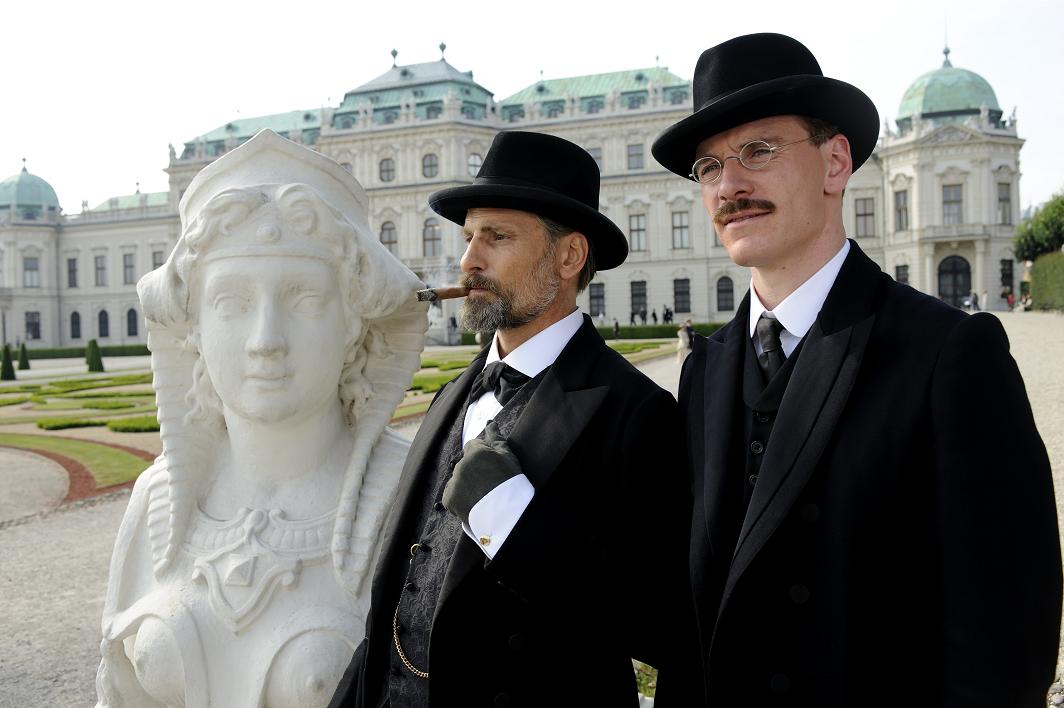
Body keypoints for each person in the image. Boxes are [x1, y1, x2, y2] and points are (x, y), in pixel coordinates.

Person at [651, 33, 1061, 707]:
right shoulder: (705, 370)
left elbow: (1006, 647)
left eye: (759, 150)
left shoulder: (951, 355)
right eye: (709, 166)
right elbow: (690, 623)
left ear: (836, 162)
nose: (729, 186)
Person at [330, 131, 696, 708]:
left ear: (569, 257)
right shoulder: (450, 396)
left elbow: (663, 620)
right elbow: (394, 601)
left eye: (497, 237)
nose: (469, 261)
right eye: (469, 237)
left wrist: (516, 523)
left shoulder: (637, 411)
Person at [96, 129, 428, 706]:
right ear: (194, 328)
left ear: (353, 324)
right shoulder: (157, 498)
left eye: (304, 299)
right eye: (232, 302)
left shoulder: (414, 497)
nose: (266, 341)